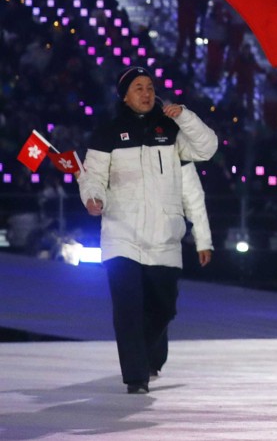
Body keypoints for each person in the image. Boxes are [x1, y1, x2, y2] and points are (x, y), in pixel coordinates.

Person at [78, 66, 218, 394]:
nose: (146, 93)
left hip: (163, 238)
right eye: (138, 87)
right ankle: (136, 377)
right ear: (124, 95)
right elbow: (92, 176)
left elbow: (207, 149)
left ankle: (145, 354)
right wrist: (93, 197)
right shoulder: (107, 132)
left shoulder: (171, 129)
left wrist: (185, 116)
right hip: (120, 235)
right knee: (127, 308)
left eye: (150, 87)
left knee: (164, 306)